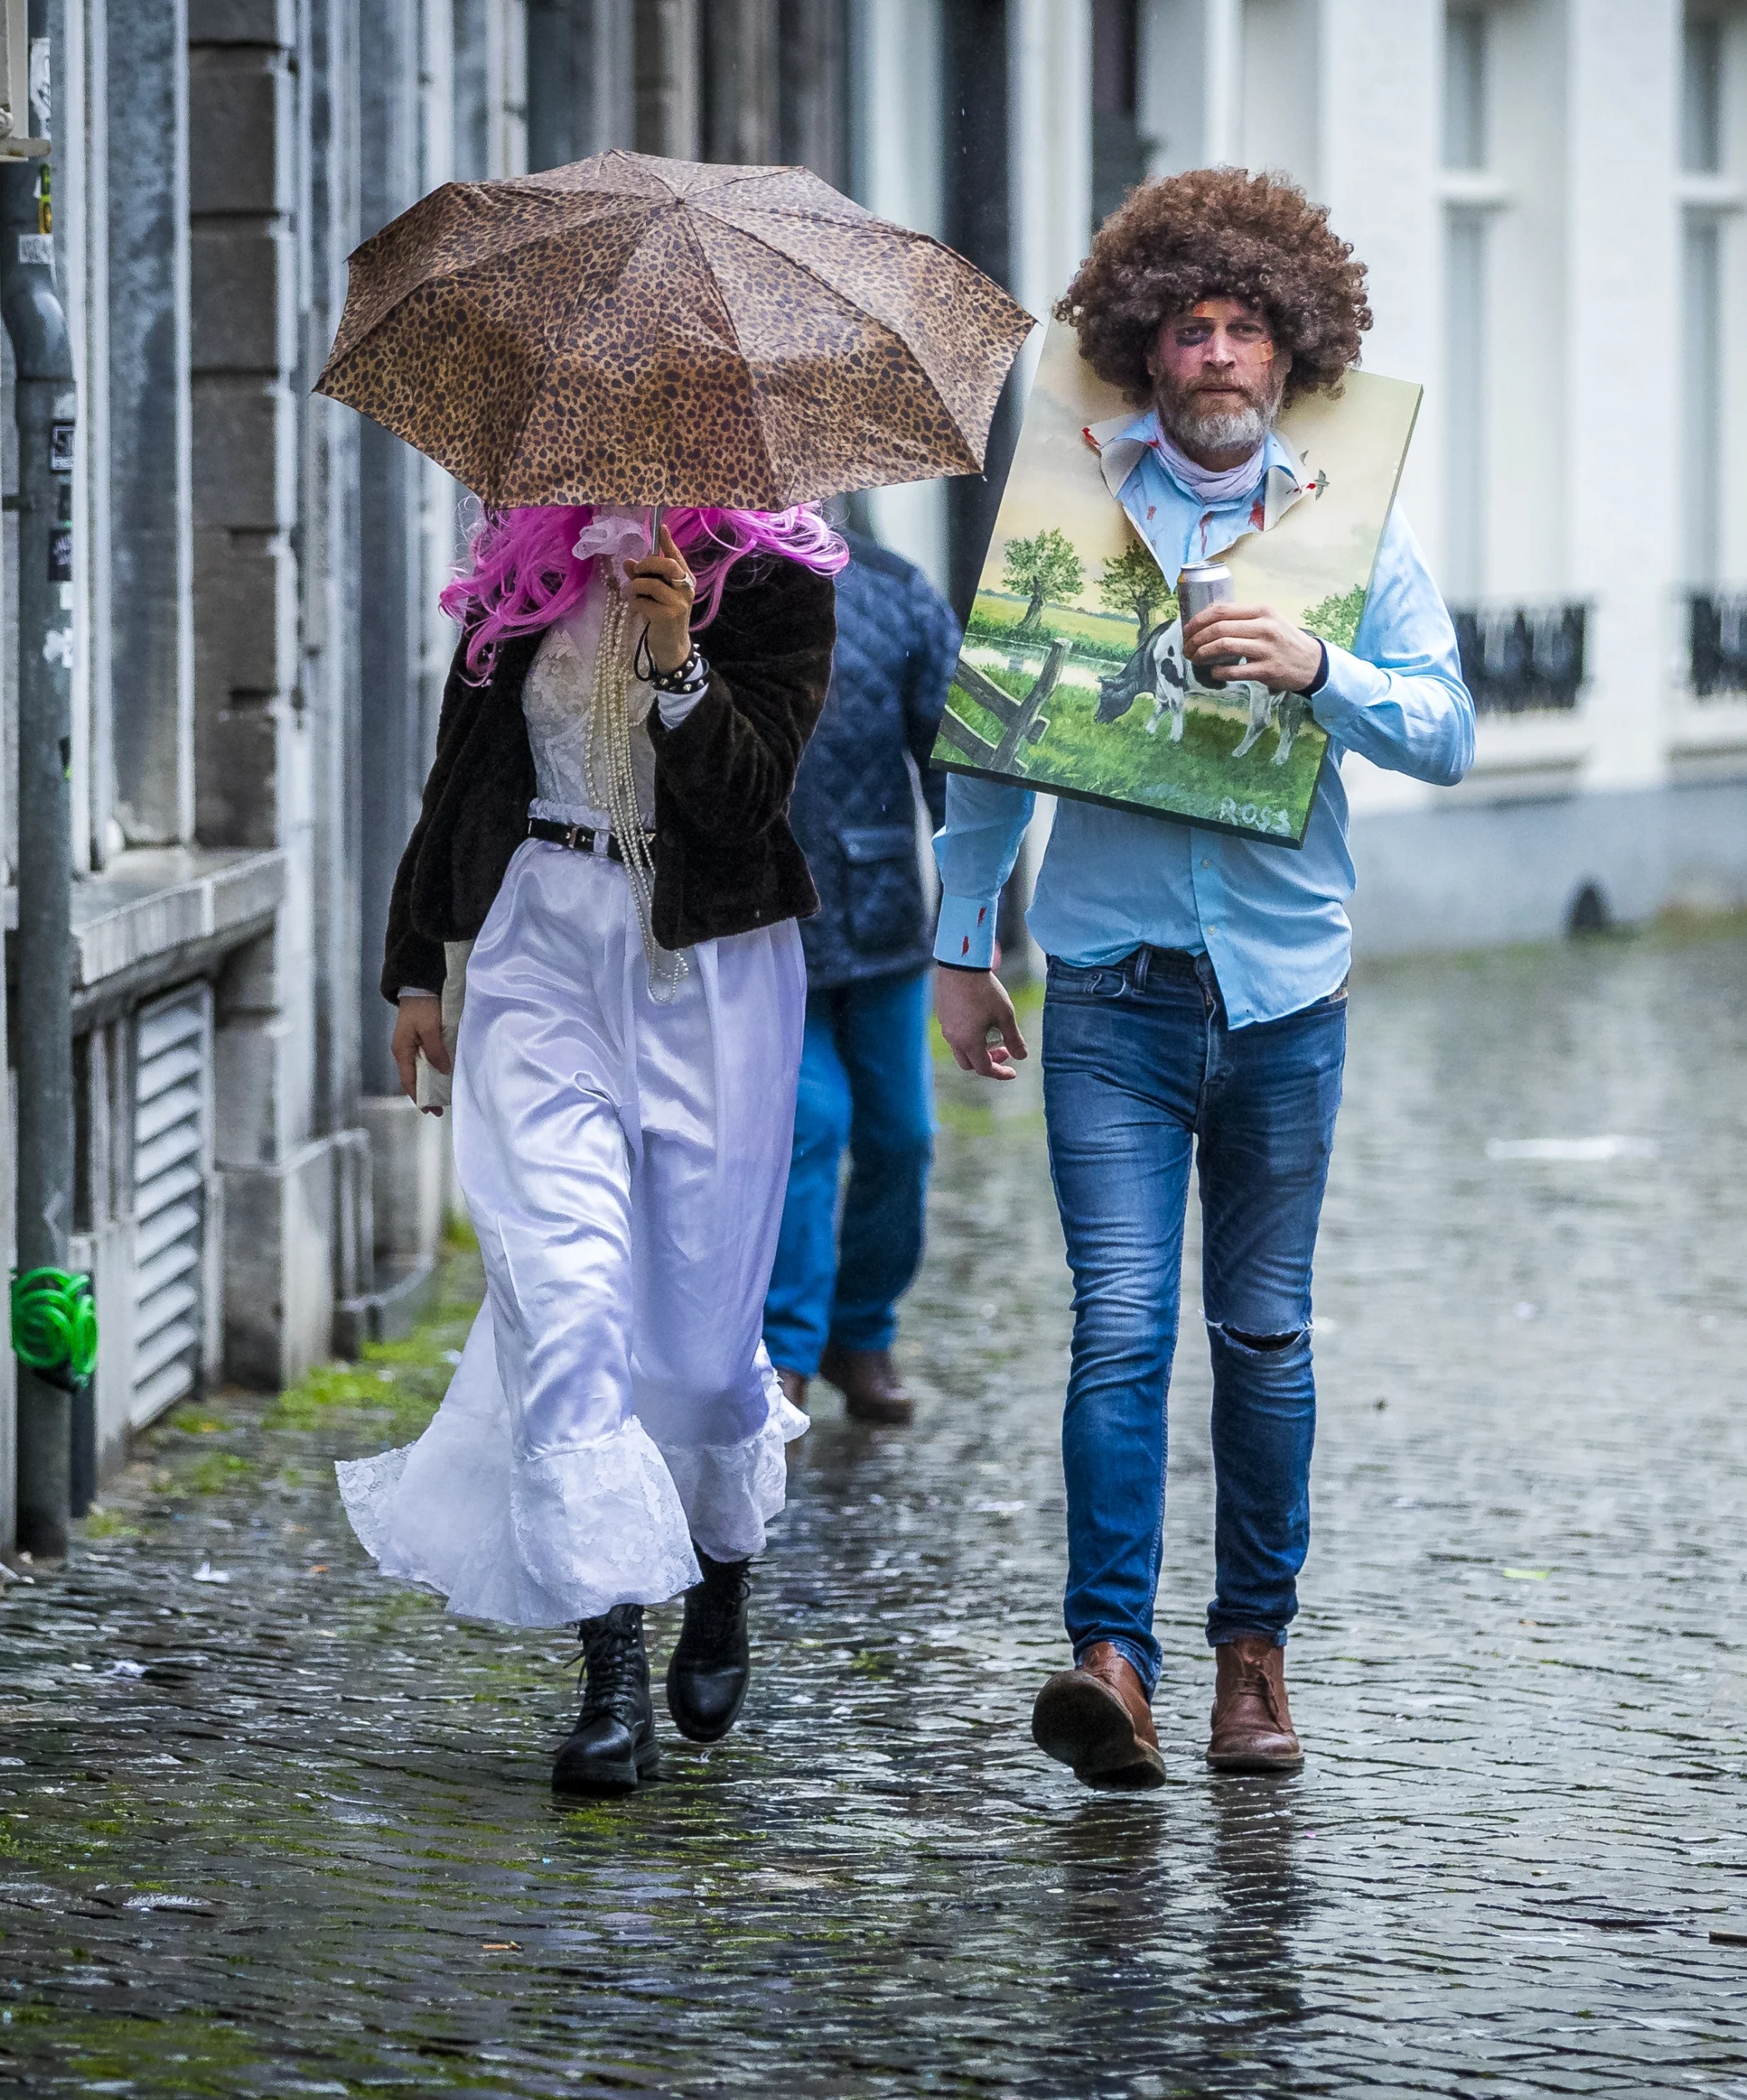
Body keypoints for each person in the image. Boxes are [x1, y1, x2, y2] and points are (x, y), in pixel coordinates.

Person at [929, 170, 1474, 1787]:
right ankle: (1110, 1658)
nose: (1219, 352)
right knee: (1115, 1324)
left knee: (1263, 1335)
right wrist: (967, 953)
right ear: (1147, 347)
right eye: (1190, 327)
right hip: (1108, 989)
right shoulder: (1071, 515)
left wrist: (1326, 671)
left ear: (1290, 348)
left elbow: (1447, 731)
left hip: (1288, 996)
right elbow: (990, 751)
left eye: (1245, 327)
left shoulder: (1355, 530)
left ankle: (1253, 1660)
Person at [337, 499, 843, 1796]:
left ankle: (722, 1562)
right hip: (542, 949)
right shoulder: (523, 575)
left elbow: (752, 801)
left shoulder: (774, 584)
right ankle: (608, 1664)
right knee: (564, 1302)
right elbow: (457, 778)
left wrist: (682, 661)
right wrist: (414, 972)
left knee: (693, 1334)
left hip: (711, 964)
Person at [762, 530, 961, 1427]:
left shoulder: (894, 590)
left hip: (882, 918)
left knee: (903, 1137)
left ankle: (861, 1330)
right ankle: (786, 1351)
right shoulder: (713, 580)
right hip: (764, 927)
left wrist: (972, 917)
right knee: (809, 1125)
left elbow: (955, 761)